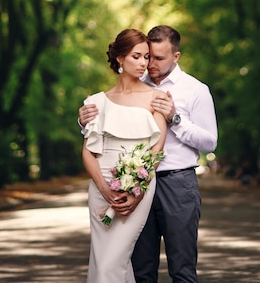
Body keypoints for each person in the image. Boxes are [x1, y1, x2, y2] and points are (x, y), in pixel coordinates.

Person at [79, 25, 218, 283]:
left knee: (182, 269)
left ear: (175, 56)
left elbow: (210, 143)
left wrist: (175, 118)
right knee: (141, 270)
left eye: (156, 58)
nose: (149, 63)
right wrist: (83, 121)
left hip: (177, 183)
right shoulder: (135, 83)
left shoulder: (195, 89)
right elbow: (106, 125)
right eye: (145, 56)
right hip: (134, 184)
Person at [82, 28, 167, 283]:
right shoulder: (97, 101)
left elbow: (156, 152)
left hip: (138, 186)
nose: (144, 63)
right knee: (104, 262)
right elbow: (87, 152)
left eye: (146, 57)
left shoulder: (156, 99)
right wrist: (104, 189)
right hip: (101, 186)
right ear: (120, 58)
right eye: (136, 56)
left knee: (111, 263)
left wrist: (136, 191)